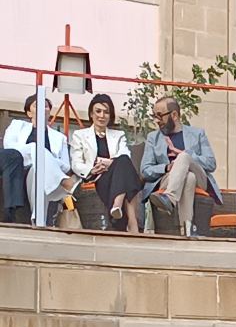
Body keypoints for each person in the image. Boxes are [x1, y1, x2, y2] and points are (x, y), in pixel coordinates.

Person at [140, 95, 223, 236]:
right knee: (188, 177)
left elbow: (211, 163)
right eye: (154, 116)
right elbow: (145, 170)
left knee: (184, 157)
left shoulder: (197, 134)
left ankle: (170, 197)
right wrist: (167, 167)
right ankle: (187, 229)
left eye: (160, 116)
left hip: (200, 178)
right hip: (167, 178)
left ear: (174, 115)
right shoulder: (153, 138)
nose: (156, 120)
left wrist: (185, 155)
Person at [71, 93, 144, 233]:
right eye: (98, 111)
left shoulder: (118, 135)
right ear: (91, 114)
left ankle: (118, 205)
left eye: (106, 112)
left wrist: (107, 163)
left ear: (110, 116)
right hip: (97, 177)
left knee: (124, 161)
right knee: (128, 174)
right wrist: (91, 169)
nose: (102, 115)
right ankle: (132, 221)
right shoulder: (79, 135)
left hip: (115, 177)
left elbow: (125, 155)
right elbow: (76, 163)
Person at [2, 94, 72, 224]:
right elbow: (10, 149)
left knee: (39, 171)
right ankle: (62, 181)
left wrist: (45, 160)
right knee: (36, 148)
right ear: (29, 113)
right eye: (36, 105)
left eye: (45, 106)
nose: (42, 108)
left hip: (41, 174)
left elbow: (66, 165)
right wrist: (37, 152)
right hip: (19, 169)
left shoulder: (59, 137)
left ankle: (37, 219)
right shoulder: (17, 126)